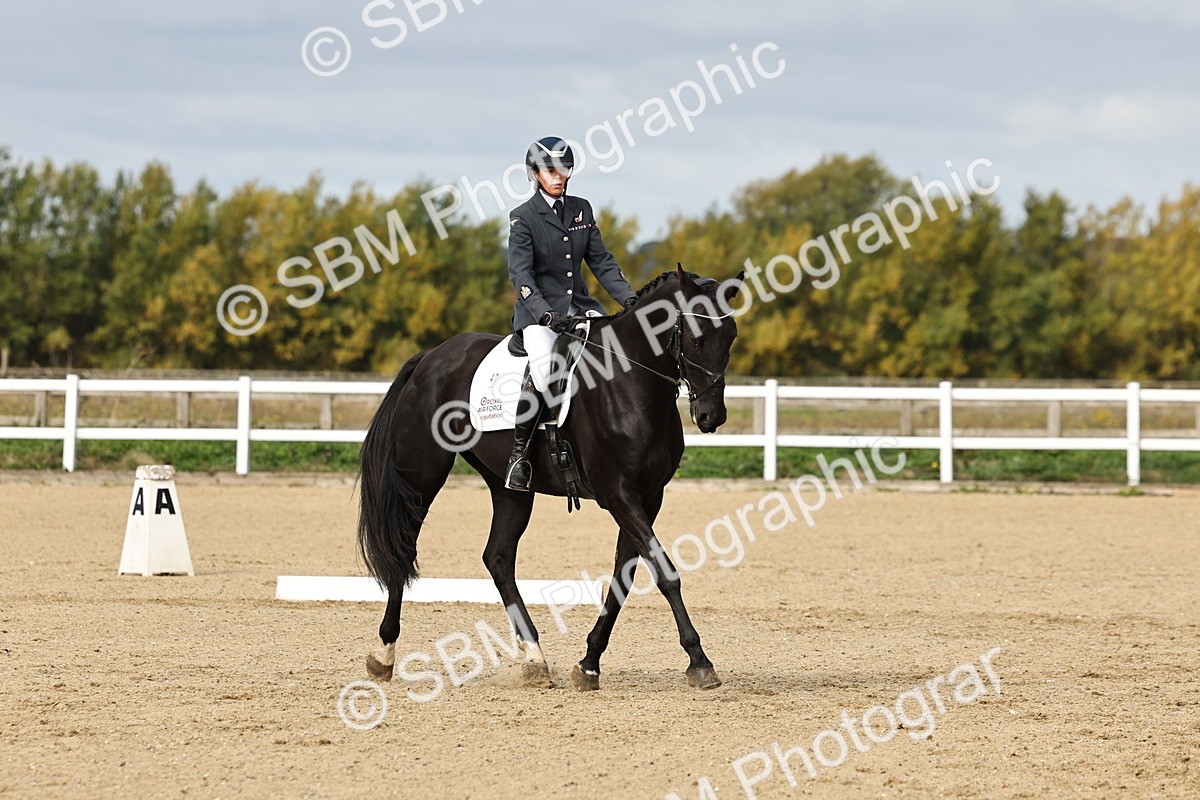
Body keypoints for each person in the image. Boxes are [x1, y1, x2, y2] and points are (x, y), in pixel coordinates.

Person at [504, 136, 637, 492]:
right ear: (535, 174)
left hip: (581, 307)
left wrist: (631, 300)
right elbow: (521, 276)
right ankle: (519, 456)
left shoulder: (582, 209)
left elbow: (602, 262)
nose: (558, 175)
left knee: (618, 353)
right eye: (550, 170)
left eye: (564, 169)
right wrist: (545, 315)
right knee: (544, 369)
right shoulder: (522, 217)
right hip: (540, 316)